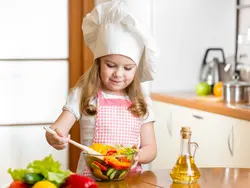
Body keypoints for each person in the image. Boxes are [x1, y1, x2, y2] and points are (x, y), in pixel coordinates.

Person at [46, 0, 158, 174]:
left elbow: (150, 148)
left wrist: (139, 155)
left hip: (130, 180)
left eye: (127, 68)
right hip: (91, 180)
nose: (118, 74)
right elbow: (56, 129)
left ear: (136, 69)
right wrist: (55, 137)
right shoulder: (84, 94)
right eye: (111, 65)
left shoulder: (142, 101)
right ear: (98, 63)